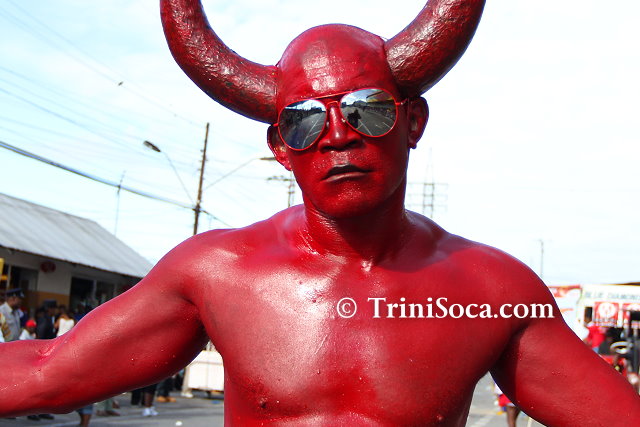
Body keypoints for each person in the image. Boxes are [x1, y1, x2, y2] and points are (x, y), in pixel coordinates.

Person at [1, 0, 639, 424]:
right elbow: (48, 372)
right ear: (280, 147)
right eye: (304, 121)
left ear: (413, 121)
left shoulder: (490, 290)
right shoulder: (217, 272)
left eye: (368, 110)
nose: (337, 136)